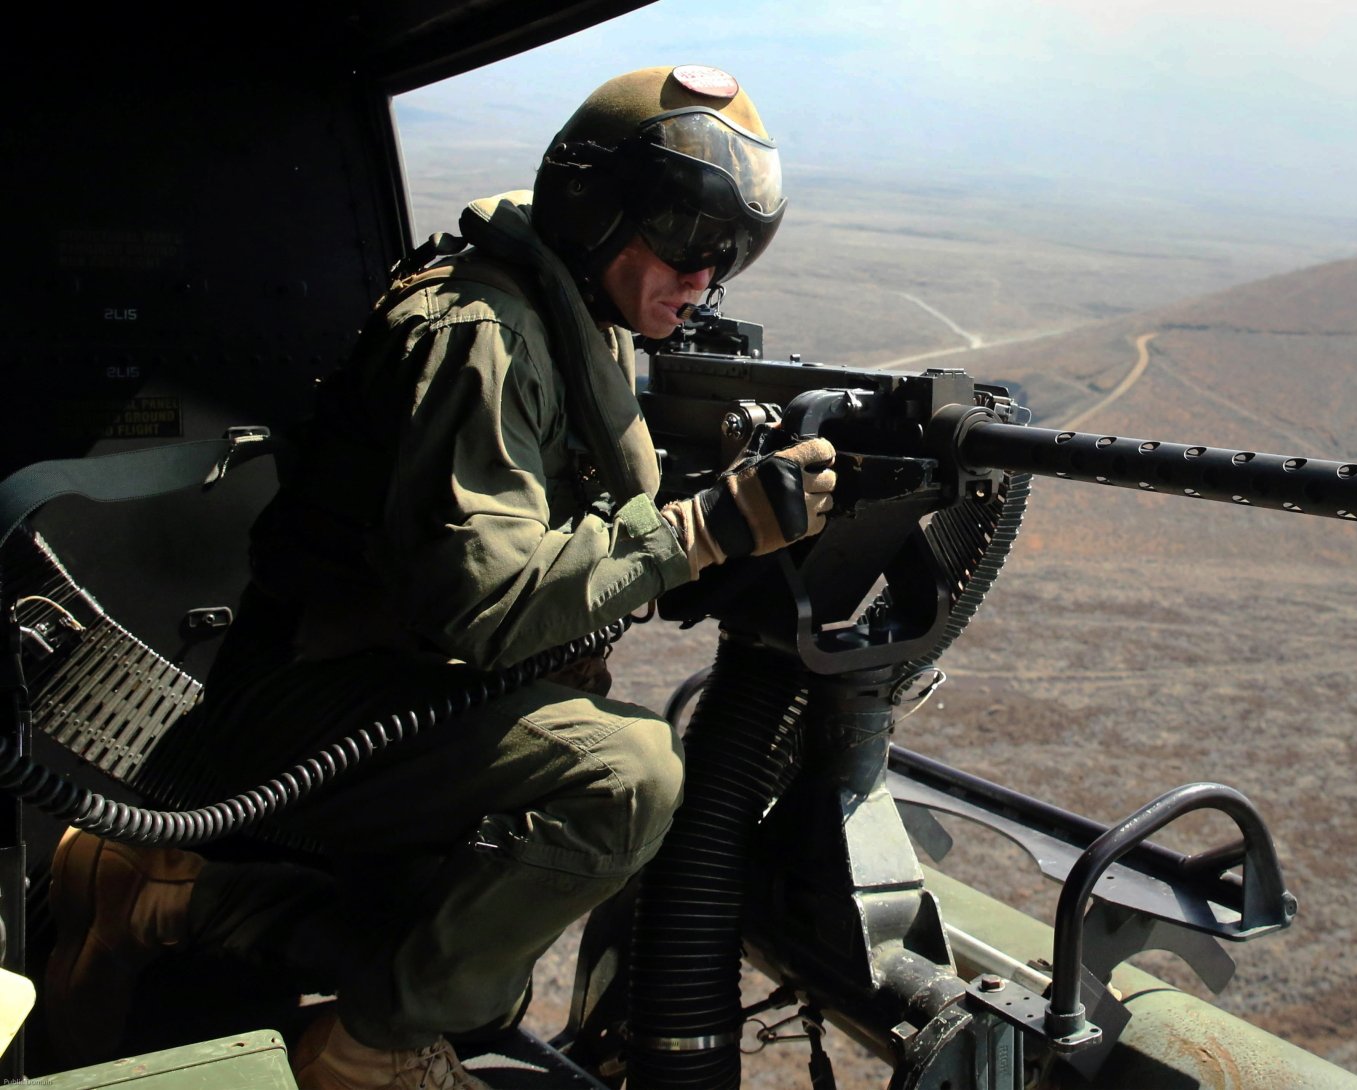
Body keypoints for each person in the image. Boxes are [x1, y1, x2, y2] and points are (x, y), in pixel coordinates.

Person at [44, 66, 830, 1090]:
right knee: (625, 778)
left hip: (372, 692)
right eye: (688, 238)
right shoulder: (479, 335)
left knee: (481, 971)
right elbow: (488, 607)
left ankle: (163, 897)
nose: (704, 275)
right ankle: (365, 1054)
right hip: (299, 710)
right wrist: (701, 531)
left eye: (729, 253)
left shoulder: (574, 315)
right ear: (595, 208)